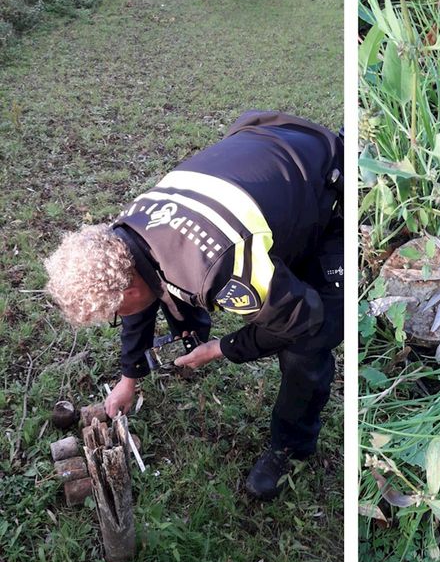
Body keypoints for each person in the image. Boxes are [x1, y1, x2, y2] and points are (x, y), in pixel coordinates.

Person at [44, 111, 344, 500]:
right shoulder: (127, 231)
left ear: (129, 290)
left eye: (115, 314)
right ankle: (196, 328)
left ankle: (291, 445)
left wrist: (222, 348)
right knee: (177, 286)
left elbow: (303, 320)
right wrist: (128, 377)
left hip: (326, 180)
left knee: (310, 339)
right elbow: (143, 296)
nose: (121, 319)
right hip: (268, 143)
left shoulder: (219, 268)